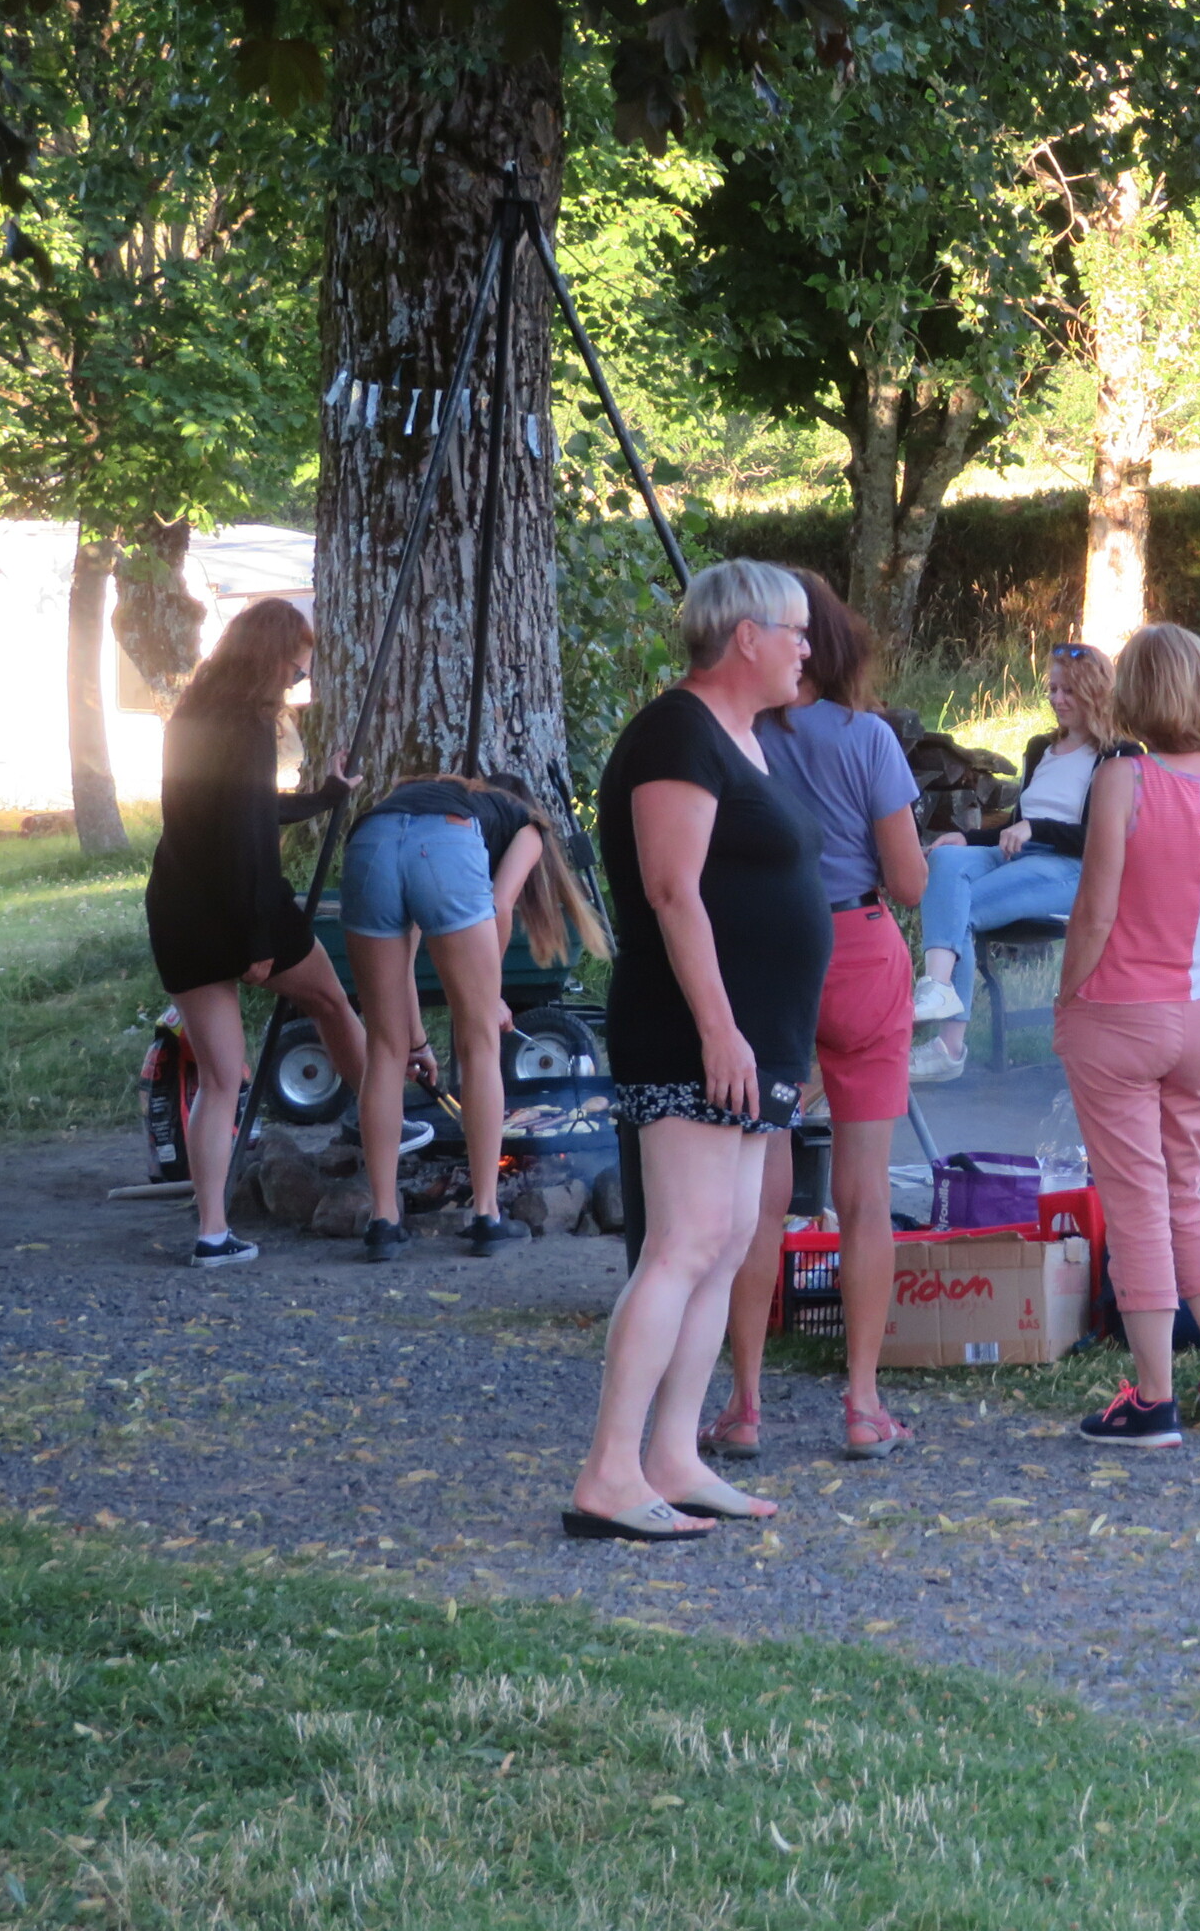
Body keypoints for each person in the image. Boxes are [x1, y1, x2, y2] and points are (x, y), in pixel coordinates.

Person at [566, 559, 830, 1543]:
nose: (808, 648)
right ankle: (610, 1470)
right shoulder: (676, 732)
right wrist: (720, 1028)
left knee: (722, 1246)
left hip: (754, 1040)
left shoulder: (743, 737)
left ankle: (674, 1455)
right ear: (745, 636)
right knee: (681, 1246)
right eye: (796, 630)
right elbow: (672, 891)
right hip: (691, 1032)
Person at [706, 569, 929, 1461]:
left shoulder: (737, 735)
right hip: (862, 948)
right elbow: (909, 881)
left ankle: (745, 1404)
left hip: (766, 956)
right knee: (864, 1199)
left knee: (760, 1200)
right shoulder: (868, 737)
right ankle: (864, 1405)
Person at [1054, 623, 1200, 1447]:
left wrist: (1069, 996)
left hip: (1118, 1012)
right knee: (1186, 1191)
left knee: (1136, 1202)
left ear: (1136, 696)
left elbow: (1095, 910)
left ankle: (1151, 1397)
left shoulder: (1123, 777)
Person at [144, 597, 382, 1269]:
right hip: (240, 909)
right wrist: (257, 943)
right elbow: (248, 838)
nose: (296, 683)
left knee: (221, 1079)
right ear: (271, 658)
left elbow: (246, 808)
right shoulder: (248, 725)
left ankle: (212, 1234)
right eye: (295, 671)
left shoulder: (190, 717)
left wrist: (324, 797)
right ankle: (384, 1118)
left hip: (179, 909)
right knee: (331, 1001)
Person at [342, 770, 606, 1262]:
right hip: (446, 846)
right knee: (480, 1042)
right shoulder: (529, 825)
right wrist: (491, 998)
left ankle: (383, 1222)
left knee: (383, 1048)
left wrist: (416, 1040)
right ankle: (486, 1216)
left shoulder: (424, 795)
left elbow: (407, 950)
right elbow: (501, 904)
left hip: (369, 840)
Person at [908, 642, 1129, 1083]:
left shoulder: (1119, 754)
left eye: (1068, 691)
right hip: (1018, 855)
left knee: (961, 908)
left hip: (1071, 868)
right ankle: (938, 988)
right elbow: (1014, 827)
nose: (1056, 699)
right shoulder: (1040, 748)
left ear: (1095, 692)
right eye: (1052, 689)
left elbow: (1103, 840)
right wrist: (967, 837)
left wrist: (1037, 828)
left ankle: (948, 1047)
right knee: (946, 858)